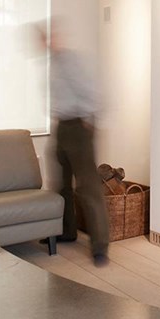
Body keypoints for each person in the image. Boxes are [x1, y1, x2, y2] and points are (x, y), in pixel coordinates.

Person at [37, 18, 110, 265]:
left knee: (88, 187)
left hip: (78, 127)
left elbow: (91, 92)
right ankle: (67, 231)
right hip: (61, 127)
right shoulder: (52, 64)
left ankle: (100, 246)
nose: (44, 42)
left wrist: (89, 122)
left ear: (54, 37)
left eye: (47, 37)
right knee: (61, 184)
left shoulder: (71, 61)